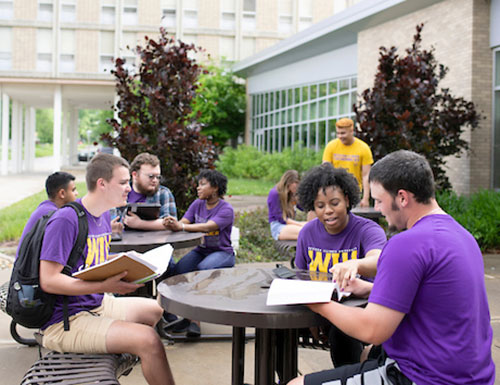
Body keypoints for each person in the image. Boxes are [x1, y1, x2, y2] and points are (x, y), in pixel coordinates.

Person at [288, 150, 495, 385]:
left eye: (379, 200)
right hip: (472, 375)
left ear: (402, 198)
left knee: (296, 384)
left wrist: (316, 302)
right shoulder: (462, 236)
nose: (378, 209)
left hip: (425, 377)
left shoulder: (406, 244)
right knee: (367, 356)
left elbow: (372, 330)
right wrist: (367, 289)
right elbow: (429, 297)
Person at [39, 153, 175, 385]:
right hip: (65, 320)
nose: (128, 189)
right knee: (149, 340)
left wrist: (131, 262)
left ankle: (124, 351)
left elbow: (92, 258)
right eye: (122, 183)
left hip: (97, 303)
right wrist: (104, 285)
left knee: (154, 309)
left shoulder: (102, 216)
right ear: (102, 184)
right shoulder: (66, 220)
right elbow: (49, 280)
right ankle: (134, 350)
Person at [296, 163, 386, 368]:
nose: (328, 211)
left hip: (355, 310)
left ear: (347, 199)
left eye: (334, 203)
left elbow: (379, 260)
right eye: (320, 206)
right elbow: (299, 276)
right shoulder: (307, 232)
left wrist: (356, 264)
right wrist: (310, 319)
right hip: (315, 308)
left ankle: (350, 377)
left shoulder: (367, 230)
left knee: (341, 332)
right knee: (275, 329)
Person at [163, 169, 235, 337]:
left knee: (202, 270)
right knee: (178, 272)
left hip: (222, 253)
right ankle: (186, 317)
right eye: (198, 184)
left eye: (203, 184)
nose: (198, 188)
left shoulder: (226, 209)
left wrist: (180, 226)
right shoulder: (197, 204)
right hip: (201, 250)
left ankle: (195, 321)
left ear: (215, 188)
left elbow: (208, 226)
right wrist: (173, 222)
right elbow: (184, 222)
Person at [322, 118, 373, 208]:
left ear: (351, 131)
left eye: (343, 133)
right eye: (338, 133)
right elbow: (325, 172)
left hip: (354, 192)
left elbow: (366, 175)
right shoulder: (331, 147)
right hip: (334, 191)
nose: (340, 136)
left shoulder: (363, 148)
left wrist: (365, 198)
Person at [18, 171, 78, 245]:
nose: (76, 193)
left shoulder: (44, 208)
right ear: (62, 193)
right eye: (73, 190)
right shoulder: (54, 216)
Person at [123, 152, 177, 230]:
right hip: (125, 241)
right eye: (151, 176)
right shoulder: (122, 192)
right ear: (135, 175)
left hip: (155, 241)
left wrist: (139, 224)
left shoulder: (163, 193)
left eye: (158, 177)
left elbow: (171, 223)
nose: (155, 180)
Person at [267, 170, 305, 241]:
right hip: (278, 227)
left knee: (313, 229)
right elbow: (281, 219)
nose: (298, 186)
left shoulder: (291, 194)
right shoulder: (275, 194)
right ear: (289, 182)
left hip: (289, 225)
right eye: (296, 183)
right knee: (305, 232)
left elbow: (303, 208)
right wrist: (300, 224)